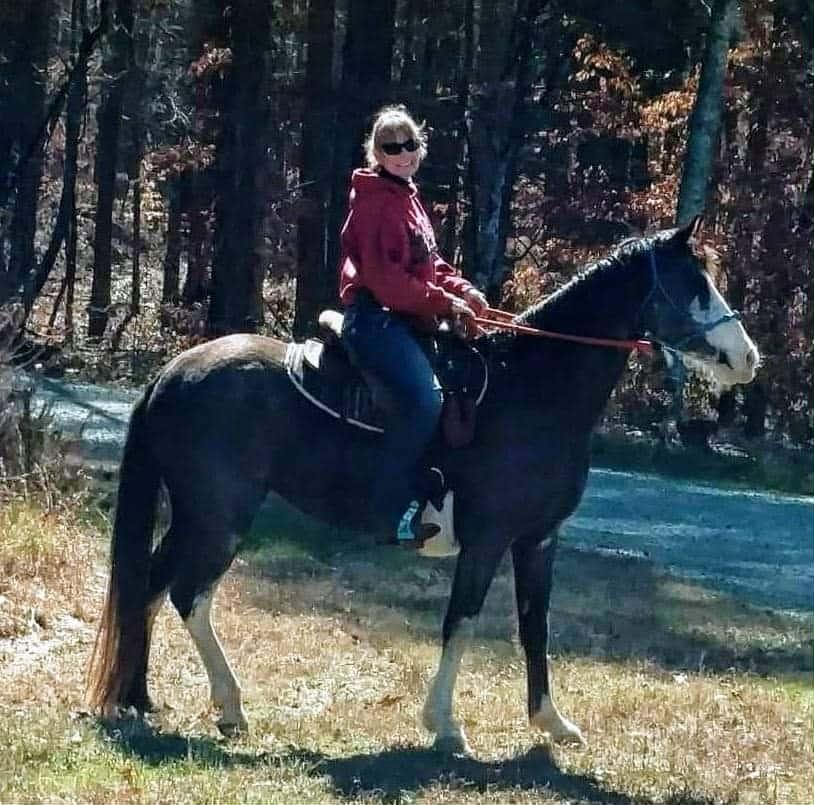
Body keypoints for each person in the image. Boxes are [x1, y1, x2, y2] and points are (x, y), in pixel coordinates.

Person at [338, 105, 488, 545]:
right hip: (376, 319)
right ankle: (387, 511)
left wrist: (465, 290)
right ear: (377, 152)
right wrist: (447, 303)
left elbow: (428, 263)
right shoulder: (376, 204)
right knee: (426, 402)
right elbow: (387, 283)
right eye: (391, 146)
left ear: (420, 147)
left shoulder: (406, 196)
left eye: (409, 144)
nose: (402, 153)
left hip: (407, 317)